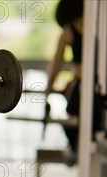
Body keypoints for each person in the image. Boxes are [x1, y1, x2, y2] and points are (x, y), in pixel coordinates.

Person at [45, 0, 84, 158]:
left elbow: (56, 65)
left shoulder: (69, 31)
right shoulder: (97, 25)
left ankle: (75, 151)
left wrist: (49, 88)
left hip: (80, 88)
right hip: (94, 86)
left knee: (71, 122)